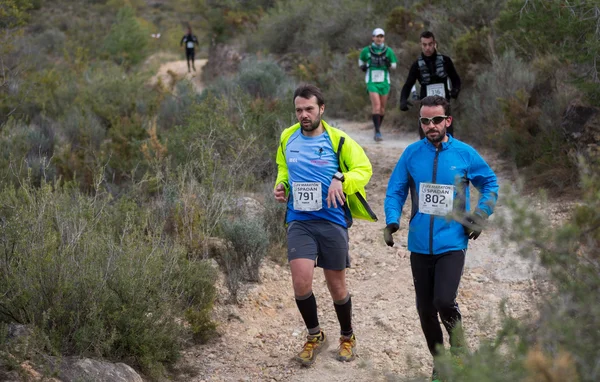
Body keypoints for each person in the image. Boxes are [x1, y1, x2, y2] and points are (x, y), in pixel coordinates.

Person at [383, 96, 498, 381]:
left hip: (452, 242)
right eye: (424, 120)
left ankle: (459, 351)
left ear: (448, 120)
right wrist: (392, 219)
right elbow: (395, 189)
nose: (430, 126)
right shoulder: (411, 153)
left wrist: (481, 214)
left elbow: (490, 183)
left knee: (444, 300)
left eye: (436, 120)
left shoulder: (464, 154)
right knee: (424, 309)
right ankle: (440, 363)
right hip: (420, 243)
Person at [273, 84, 378, 366]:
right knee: (300, 282)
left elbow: (364, 169)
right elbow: (284, 167)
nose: (303, 115)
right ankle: (315, 335)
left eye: (309, 109)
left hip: (332, 220)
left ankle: (347, 336)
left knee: (336, 286)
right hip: (300, 220)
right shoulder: (287, 137)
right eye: (298, 110)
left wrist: (341, 179)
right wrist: (281, 184)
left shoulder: (339, 140)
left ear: (322, 109)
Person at [399, 31, 461, 139]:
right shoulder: (417, 65)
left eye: (430, 44)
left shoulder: (445, 61)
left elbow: (456, 79)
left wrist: (455, 90)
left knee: (447, 137)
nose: (428, 48)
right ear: (421, 45)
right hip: (426, 107)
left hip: (444, 105)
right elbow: (408, 84)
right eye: (424, 45)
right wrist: (403, 100)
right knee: (425, 138)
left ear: (435, 43)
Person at [359, 28, 398, 142]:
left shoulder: (388, 51)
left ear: (383, 38)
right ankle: (377, 131)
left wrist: (388, 63)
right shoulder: (367, 50)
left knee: (382, 108)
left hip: (384, 81)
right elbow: (361, 61)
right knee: (376, 106)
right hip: (372, 81)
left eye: (381, 36)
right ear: (373, 38)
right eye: (377, 36)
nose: (379, 38)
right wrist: (363, 67)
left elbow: (394, 65)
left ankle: (378, 127)